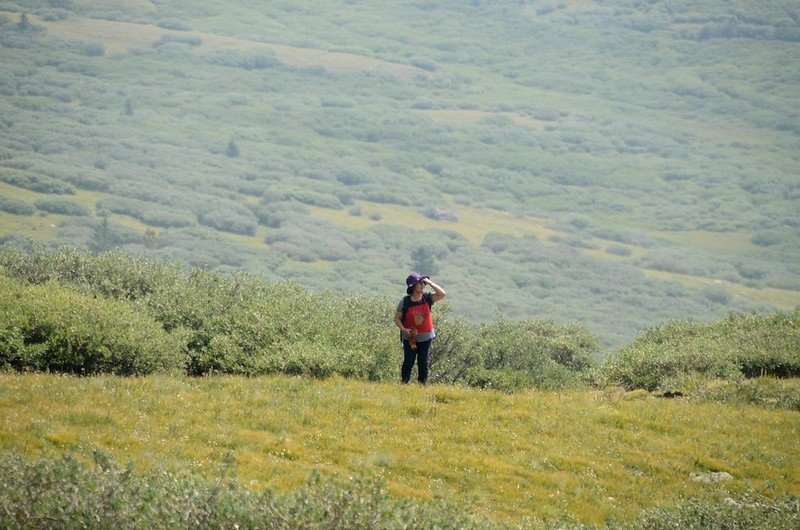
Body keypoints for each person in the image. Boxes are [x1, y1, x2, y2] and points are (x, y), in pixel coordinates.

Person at [394, 272, 446, 384]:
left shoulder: (428, 298)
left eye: (423, 283)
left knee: (423, 362)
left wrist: (429, 282)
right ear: (413, 286)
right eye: (420, 283)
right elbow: (397, 318)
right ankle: (404, 383)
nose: (423, 285)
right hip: (410, 337)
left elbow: (442, 294)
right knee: (408, 361)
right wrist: (403, 329)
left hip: (426, 337)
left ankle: (422, 384)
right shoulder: (405, 302)